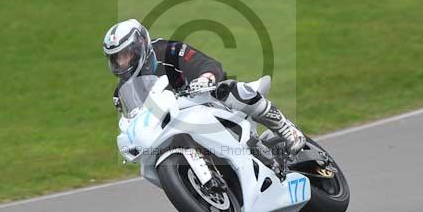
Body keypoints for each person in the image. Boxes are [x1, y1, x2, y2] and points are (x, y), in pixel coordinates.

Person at [103, 19, 306, 154]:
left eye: (126, 54)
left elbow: (209, 65)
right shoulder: (124, 90)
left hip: (203, 101)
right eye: (116, 58)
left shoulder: (169, 50)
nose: (122, 63)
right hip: (175, 125)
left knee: (228, 89)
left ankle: (285, 128)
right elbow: (132, 120)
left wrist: (205, 78)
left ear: (141, 45)